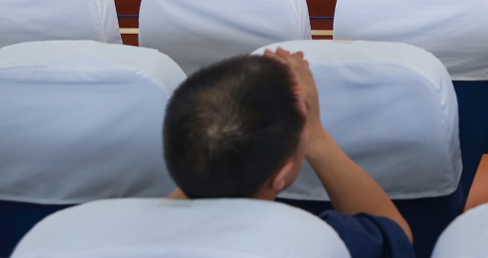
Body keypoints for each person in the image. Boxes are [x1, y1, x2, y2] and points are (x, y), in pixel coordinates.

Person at [162, 48, 415, 258]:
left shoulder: (138, 231)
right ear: (280, 176)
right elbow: (396, 235)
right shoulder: (319, 243)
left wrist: (203, 159)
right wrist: (315, 135)